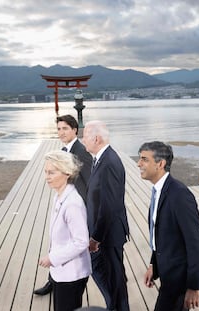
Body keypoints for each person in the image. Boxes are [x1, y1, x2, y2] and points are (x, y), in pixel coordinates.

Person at [138, 141, 199, 311]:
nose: (139, 164)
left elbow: (195, 241)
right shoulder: (158, 190)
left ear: (160, 164)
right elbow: (160, 234)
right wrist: (154, 264)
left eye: (144, 159)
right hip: (167, 271)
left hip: (179, 279)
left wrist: (193, 286)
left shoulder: (179, 194)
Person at [34, 114, 92, 296]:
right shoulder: (64, 150)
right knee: (59, 242)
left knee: (75, 246)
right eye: (59, 129)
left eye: (65, 128)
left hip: (75, 206)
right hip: (64, 200)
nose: (61, 132)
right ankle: (53, 281)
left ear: (75, 130)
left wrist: (80, 208)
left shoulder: (81, 152)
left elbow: (88, 184)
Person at [82, 120, 130, 311]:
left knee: (112, 280)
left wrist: (96, 238)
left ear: (96, 138)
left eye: (84, 136)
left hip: (107, 235)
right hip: (106, 233)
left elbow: (108, 206)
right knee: (112, 279)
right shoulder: (101, 159)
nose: (82, 140)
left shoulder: (108, 162)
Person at [39, 150, 91, 311]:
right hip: (61, 272)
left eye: (52, 172)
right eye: (46, 172)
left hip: (71, 274)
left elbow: (81, 241)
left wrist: (53, 258)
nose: (47, 176)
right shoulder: (59, 196)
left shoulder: (73, 203)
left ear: (67, 173)